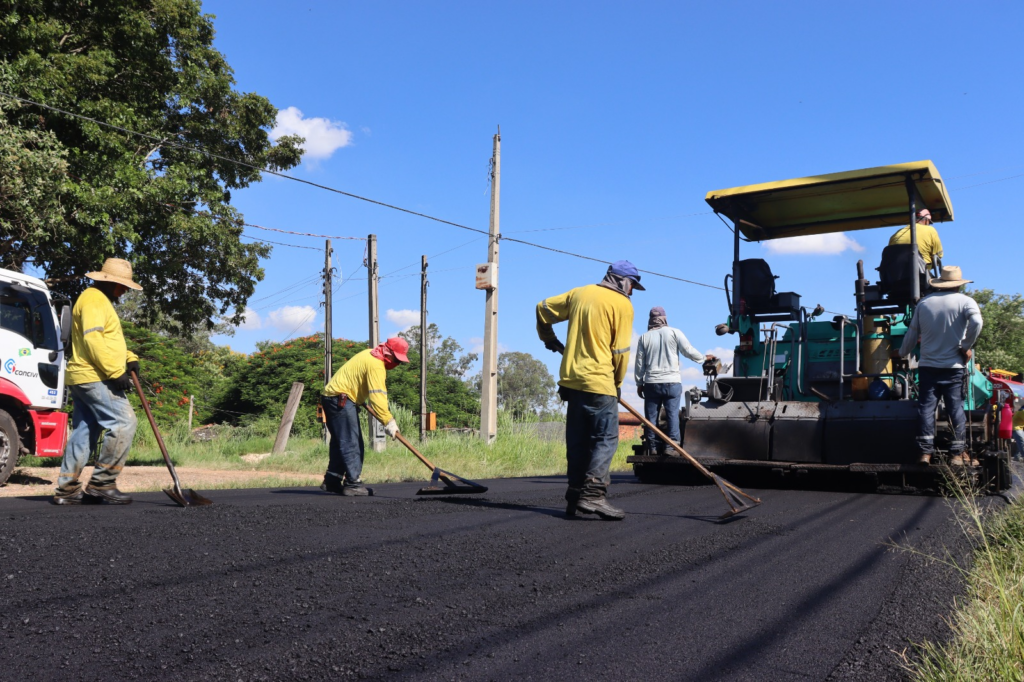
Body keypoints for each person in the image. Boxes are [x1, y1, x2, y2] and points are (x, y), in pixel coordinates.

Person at [537, 260, 640, 520]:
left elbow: (543, 308)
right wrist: (616, 384)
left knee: (579, 440)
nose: (631, 291)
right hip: (600, 382)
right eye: (632, 286)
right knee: (605, 439)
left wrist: (549, 339)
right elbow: (620, 352)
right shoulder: (622, 305)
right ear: (622, 281)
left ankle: (574, 493)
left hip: (572, 381)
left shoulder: (579, 293)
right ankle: (593, 495)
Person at [53, 258, 143, 505]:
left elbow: (109, 340)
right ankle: (102, 483)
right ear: (110, 282)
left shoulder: (99, 301)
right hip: (95, 377)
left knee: (85, 431)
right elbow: (93, 341)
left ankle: (67, 489)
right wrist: (115, 372)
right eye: (123, 286)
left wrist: (130, 358)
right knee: (124, 422)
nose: (125, 290)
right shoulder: (94, 299)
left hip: (83, 376)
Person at [899, 266, 983, 466]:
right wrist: (966, 345)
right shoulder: (965, 302)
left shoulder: (924, 304)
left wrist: (902, 353)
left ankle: (925, 454)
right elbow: (977, 322)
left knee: (926, 409)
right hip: (954, 367)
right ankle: (956, 454)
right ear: (958, 285)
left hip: (928, 366)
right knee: (956, 410)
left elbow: (911, 334)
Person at [320, 337, 410, 495]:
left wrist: (359, 398)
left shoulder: (369, 354)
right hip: (341, 399)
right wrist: (388, 421)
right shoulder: (376, 365)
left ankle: (332, 480)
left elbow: (356, 380)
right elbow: (378, 397)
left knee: (340, 441)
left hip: (334, 398)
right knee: (352, 442)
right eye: (396, 360)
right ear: (388, 353)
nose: (396, 364)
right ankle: (353, 483)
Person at [634, 306, 712, 455]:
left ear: (650, 320)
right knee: (672, 414)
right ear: (665, 318)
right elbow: (687, 350)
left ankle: (653, 447)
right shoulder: (675, 332)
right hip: (672, 382)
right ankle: (672, 446)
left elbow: (639, 363)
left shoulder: (644, 337)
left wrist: (639, 383)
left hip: (651, 383)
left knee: (651, 417)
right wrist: (703, 358)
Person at [889, 208, 943, 276]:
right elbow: (938, 255)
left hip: (894, 276)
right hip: (920, 275)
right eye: (929, 222)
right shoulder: (930, 230)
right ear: (926, 220)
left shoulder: (897, 233)